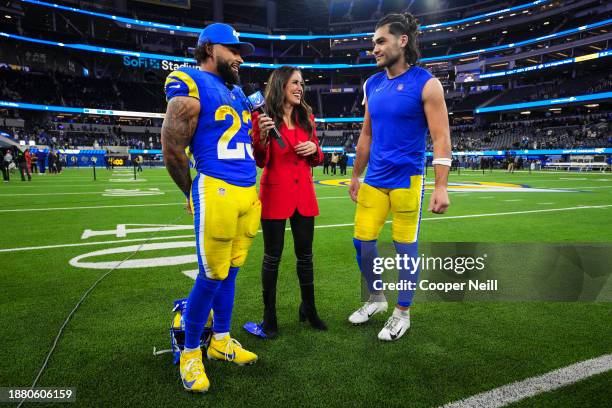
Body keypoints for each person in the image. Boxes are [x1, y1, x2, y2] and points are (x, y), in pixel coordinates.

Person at [161, 22, 260, 393]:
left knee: (232, 271)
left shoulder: (236, 92)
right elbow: (172, 149)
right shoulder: (189, 81)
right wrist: (190, 191)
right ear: (207, 49)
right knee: (211, 274)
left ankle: (220, 341)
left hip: (247, 191)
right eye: (233, 50)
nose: (239, 58)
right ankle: (190, 352)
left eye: (241, 52)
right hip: (216, 186)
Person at [348, 13, 451, 341]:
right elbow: (366, 135)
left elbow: (441, 137)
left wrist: (442, 186)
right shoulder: (372, 84)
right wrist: (355, 174)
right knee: (362, 243)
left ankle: (401, 313)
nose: (374, 48)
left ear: (402, 41)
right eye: (373, 43)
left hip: (408, 180)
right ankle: (376, 299)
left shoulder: (427, 83)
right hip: (375, 180)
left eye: (380, 41)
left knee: (404, 247)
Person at [244, 66, 326, 339]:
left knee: (306, 256)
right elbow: (260, 160)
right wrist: (264, 137)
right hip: (275, 194)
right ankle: (270, 317)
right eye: (294, 82)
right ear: (280, 85)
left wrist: (315, 149)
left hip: (303, 195)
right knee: (272, 257)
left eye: (301, 83)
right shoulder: (263, 117)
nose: (299, 87)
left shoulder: (307, 116)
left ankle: (309, 308)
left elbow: (317, 155)